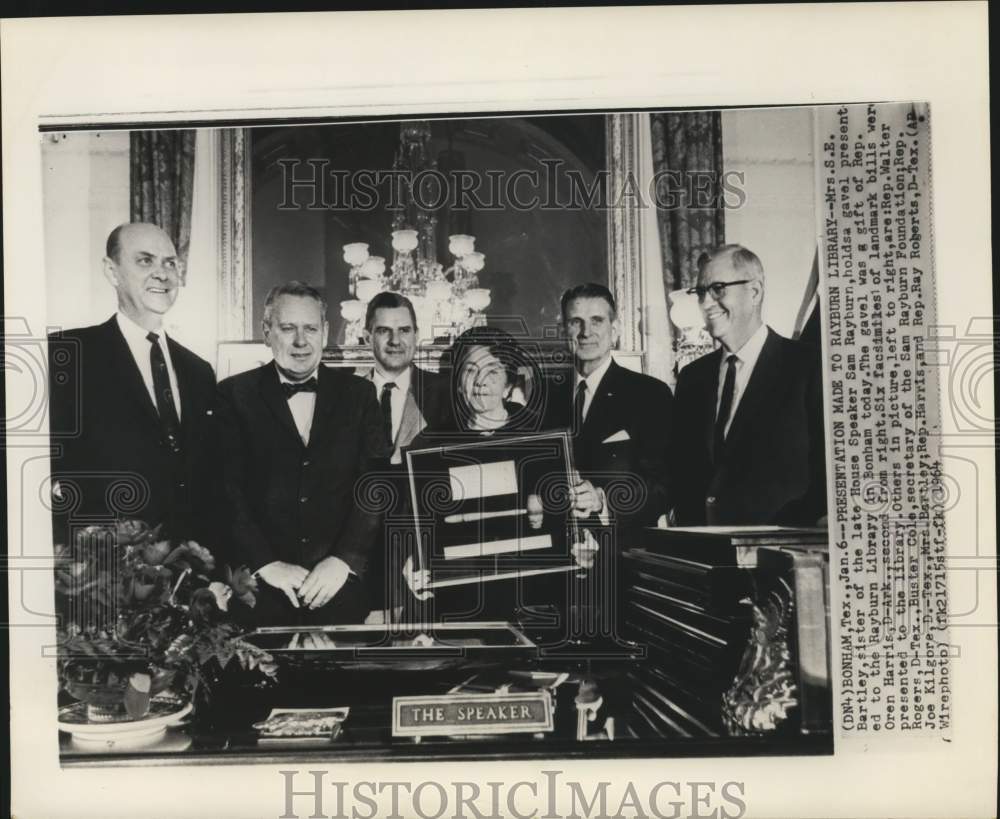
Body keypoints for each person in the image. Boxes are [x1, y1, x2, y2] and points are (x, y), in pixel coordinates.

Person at [217, 281, 390, 626]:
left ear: (325, 332)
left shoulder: (360, 395)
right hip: (261, 593)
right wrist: (267, 565)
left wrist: (344, 559)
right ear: (267, 332)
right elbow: (225, 491)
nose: (300, 341)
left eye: (310, 328)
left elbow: (375, 484)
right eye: (287, 328)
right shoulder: (234, 395)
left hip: (340, 589)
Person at [48, 222, 218, 544]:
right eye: (145, 260)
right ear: (112, 272)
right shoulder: (67, 355)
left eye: (170, 262)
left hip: (185, 571)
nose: (162, 273)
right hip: (98, 574)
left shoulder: (199, 372)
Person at [670, 244, 826, 526]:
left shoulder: (810, 367)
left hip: (776, 556)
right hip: (701, 557)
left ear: (754, 292)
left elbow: (830, 475)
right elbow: (680, 475)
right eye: (701, 292)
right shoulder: (692, 377)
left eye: (718, 289)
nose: (706, 303)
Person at [545, 283, 674, 537]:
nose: (586, 332)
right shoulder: (547, 395)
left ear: (614, 330)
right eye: (575, 322)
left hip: (622, 555)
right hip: (556, 555)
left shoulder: (650, 394)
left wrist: (603, 501)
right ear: (564, 331)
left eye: (597, 321)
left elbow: (665, 486)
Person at [357, 291, 449, 619]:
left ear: (416, 335)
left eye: (404, 330)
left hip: (428, 571)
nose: (396, 340)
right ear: (367, 337)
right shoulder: (343, 396)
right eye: (384, 331)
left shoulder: (447, 393)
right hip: (360, 573)